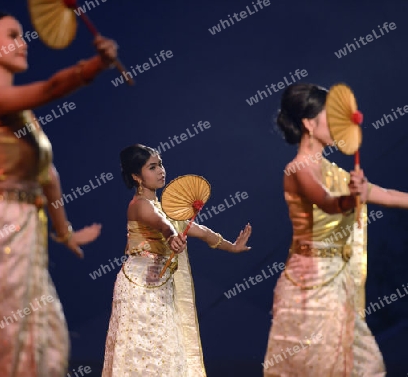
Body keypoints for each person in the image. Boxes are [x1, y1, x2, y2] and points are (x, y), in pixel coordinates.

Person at [0, 9, 118, 377]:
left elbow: (49, 177)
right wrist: (93, 66)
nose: (22, 42)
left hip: (26, 230)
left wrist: (65, 232)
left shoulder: (24, 114)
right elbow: (50, 89)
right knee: (0, 331)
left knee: (41, 337)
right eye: (12, 34)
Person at [263, 82, 408, 376]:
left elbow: (390, 196)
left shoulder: (339, 173)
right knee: (317, 365)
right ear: (309, 123)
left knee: (366, 367)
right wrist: (353, 197)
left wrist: (360, 193)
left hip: (339, 283)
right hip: (311, 284)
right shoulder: (299, 168)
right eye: (331, 115)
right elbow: (327, 203)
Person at [101, 144, 252, 377]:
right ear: (136, 176)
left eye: (160, 164)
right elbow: (164, 226)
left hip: (162, 286)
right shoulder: (140, 205)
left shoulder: (163, 208)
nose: (161, 171)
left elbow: (200, 230)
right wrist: (172, 237)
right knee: (141, 348)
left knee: (165, 347)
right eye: (152, 167)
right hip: (140, 286)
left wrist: (232, 246)